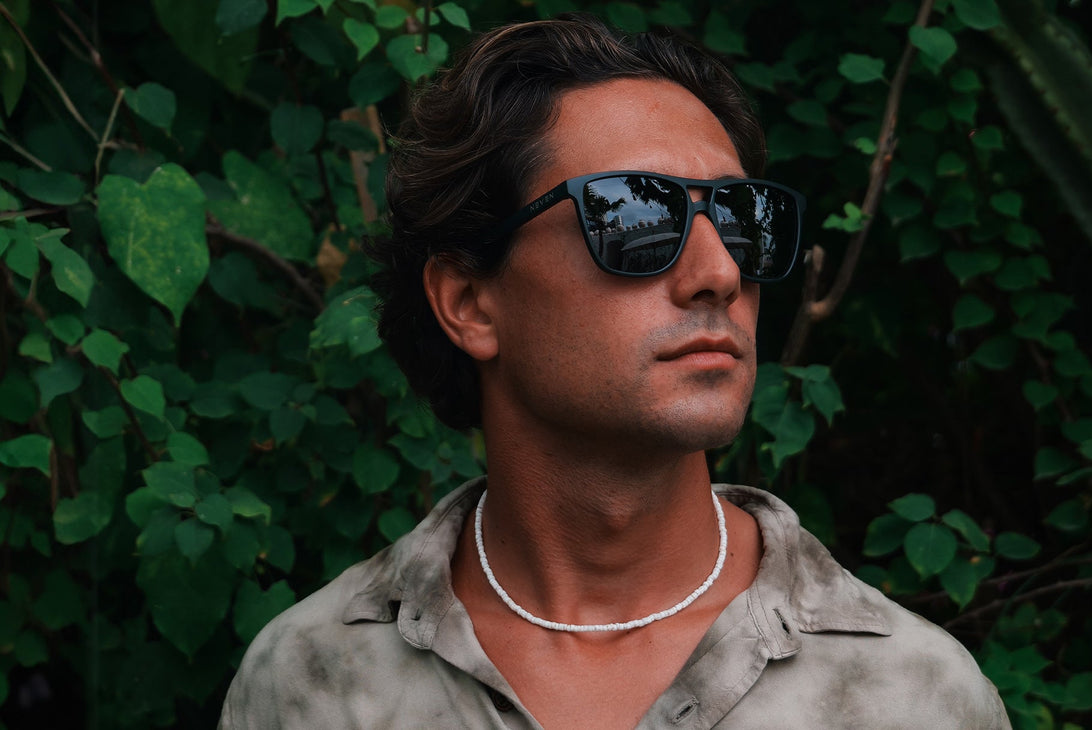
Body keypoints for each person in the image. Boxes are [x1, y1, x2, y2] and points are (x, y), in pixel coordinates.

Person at [220, 14, 1009, 729]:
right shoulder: (311, 684)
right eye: (637, 216)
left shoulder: (913, 697)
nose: (718, 273)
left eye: (740, 221)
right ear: (469, 301)